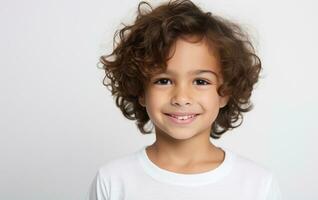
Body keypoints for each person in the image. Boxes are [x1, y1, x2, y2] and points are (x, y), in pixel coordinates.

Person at [88, 0, 282, 199]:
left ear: (224, 92)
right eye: (163, 80)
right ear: (141, 92)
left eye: (200, 81)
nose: (181, 98)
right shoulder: (113, 181)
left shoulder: (257, 185)